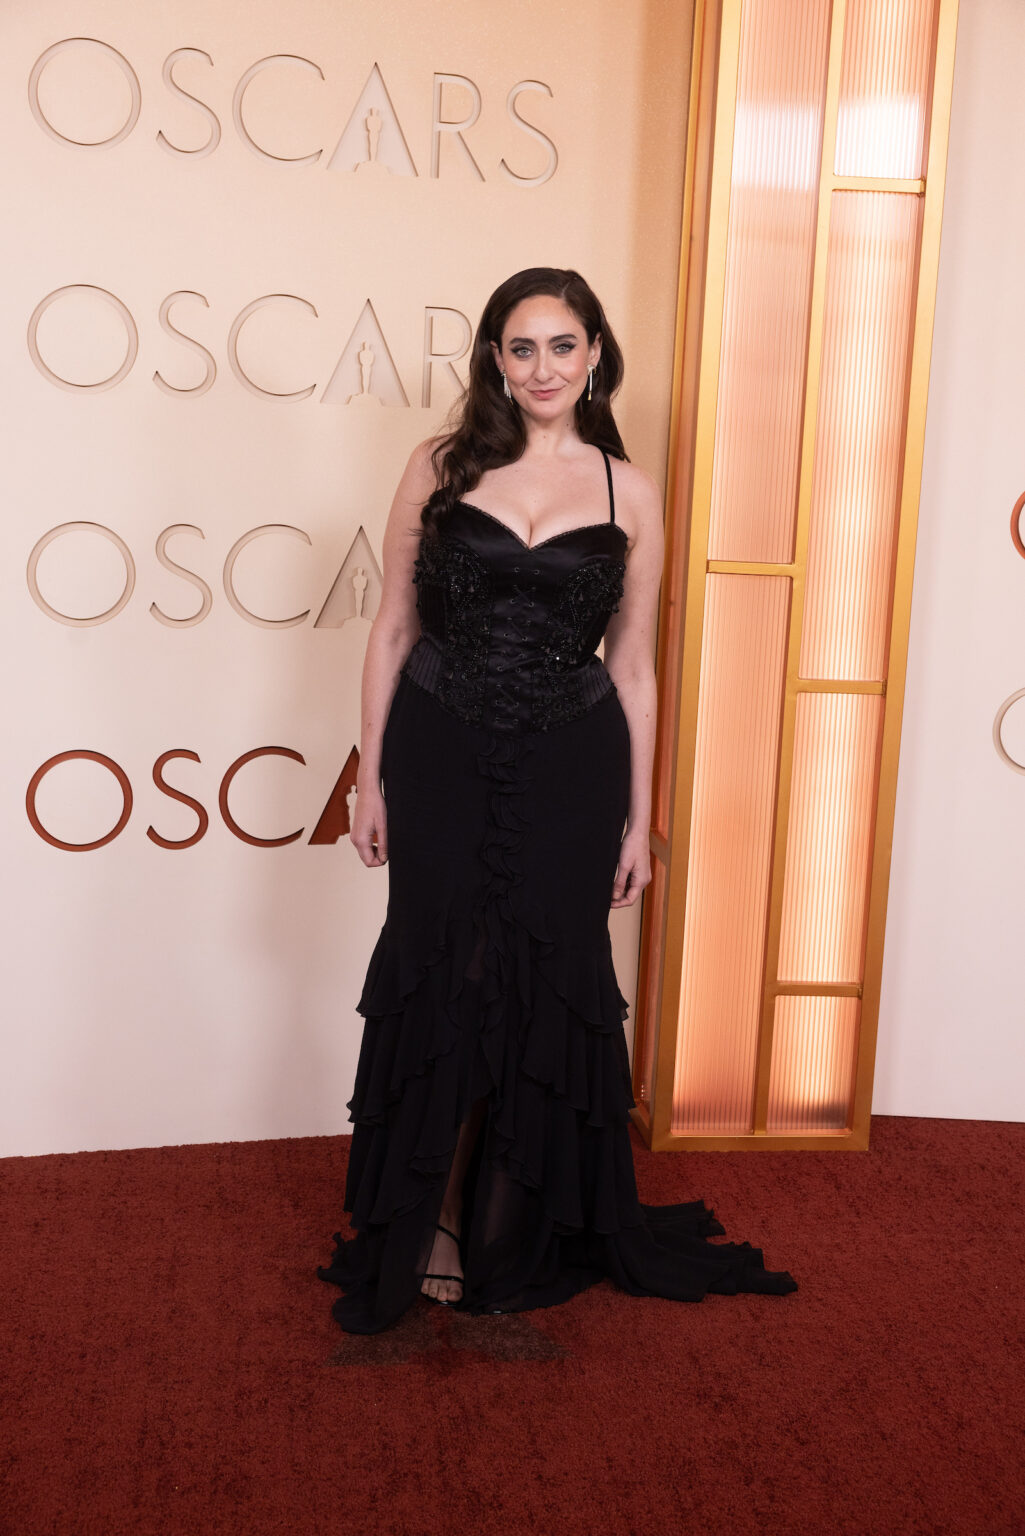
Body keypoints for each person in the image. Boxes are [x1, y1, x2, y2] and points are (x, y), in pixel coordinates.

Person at [317, 267, 797, 1334]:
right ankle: (436, 1216)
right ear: (495, 359)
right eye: (521, 347)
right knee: (448, 970)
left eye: (562, 345)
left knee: (543, 978)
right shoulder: (440, 465)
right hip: (439, 750)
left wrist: (638, 820)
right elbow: (393, 627)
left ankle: (513, 1218)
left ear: (594, 355)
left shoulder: (630, 490)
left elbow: (632, 665)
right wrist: (368, 776)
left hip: (570, 765)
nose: (543, 368)